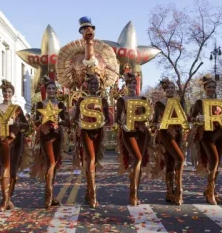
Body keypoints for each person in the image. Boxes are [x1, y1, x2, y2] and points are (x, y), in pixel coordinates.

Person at [0, 80, 29, 212]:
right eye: (5, 91)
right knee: (4, 168)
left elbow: (25, 125)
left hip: (15, 140)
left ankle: (7, 198)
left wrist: (16, 126)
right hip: (2, 140)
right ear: (2, 93)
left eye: (9, 92)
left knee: (13, 172)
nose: (7, 94)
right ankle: (5, 200)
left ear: (12, 94)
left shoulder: (17, 108)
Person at [73, 73, 110, 208]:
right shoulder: (81, 99)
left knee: (94, 161)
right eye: (91, 83)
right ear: (87, 85)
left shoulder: (103, 100)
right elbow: (75, 118)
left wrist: (103, 119)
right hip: (86, 131)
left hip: (98, 131)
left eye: (96, 83)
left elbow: (108, 119)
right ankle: (93, 195)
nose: (94, 86)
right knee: (91, 158)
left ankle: (89, 192)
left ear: (99, 85)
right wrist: (79, 122)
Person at [189, 75, 222, 205]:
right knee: (214, 161)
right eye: (209, 87)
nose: (211, 89)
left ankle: (212, 190)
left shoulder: (221, 103)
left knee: (217, 163)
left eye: (213, 87)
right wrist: (198, 118)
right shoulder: (199, 102)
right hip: (206, 135)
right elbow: (190, 118)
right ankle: (210, 193)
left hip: (219, 134)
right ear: (204, 88)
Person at [31, 77, 67, 209]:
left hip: (57, 136)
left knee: (54, 165)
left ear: (56, 91)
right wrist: (40, 120)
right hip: (45, 135)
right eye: (49, 89)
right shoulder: (40, 105)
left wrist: (60, 120)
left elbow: (66, 121)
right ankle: (48, 196)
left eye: (53, 89)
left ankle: (51, 195)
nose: (51, 91)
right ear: (46, 90)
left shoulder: (61, 105)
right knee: (50, 163)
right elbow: (35, 121)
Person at [116, 72, 150, 206]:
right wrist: (122, 125)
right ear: (126, 85)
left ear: (137, 84)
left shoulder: (142, 99)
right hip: (128, 132)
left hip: (141, 132)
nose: (132, 85)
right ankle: (133, 193)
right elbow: (118, 118)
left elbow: (147, 116)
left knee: (139, 162)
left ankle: (135, 191)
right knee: (137, 158)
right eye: (129, 83)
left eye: (134, 83)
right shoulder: (121, 100)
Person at [153, 78, 186, 206]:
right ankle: (178, 190)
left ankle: (169, 192)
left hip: (178, 134)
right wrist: (156, 125)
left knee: (171, 162)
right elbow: (154, 122)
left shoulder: (179, 103)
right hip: (165, 134)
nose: (171, 90)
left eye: (173, 88)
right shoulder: (159, 104)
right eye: (168, 88)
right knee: (180, 158)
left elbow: (185, 117)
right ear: (164, 90)